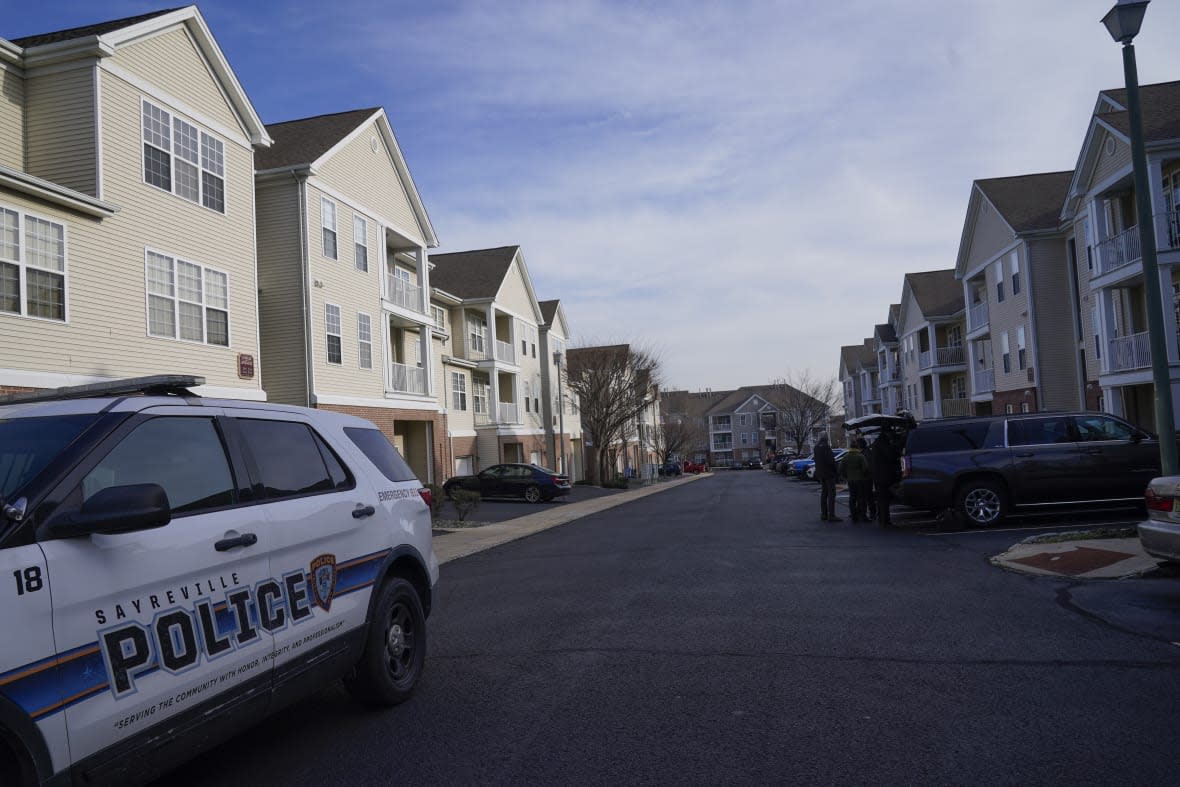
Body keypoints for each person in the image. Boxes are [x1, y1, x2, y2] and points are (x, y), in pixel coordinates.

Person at [870, 430, 900, 527]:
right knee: (884, 499)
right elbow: (891, 455)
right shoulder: (883, 444)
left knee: (881, 499)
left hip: (877, 475)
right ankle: (884, 520)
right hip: (883, 475)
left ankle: (882, 519)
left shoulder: (876, 444)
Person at [812, 433, 840, 522]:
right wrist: (836, 471)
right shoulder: (826, 447)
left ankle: (824, 514)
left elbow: (816, 460)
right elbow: (831, 461)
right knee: (831, 494)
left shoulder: (816, 448)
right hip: (829, 474)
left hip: (821, 474)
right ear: (826, 439)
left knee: (824, 493)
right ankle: (831, 515)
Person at [843, 437, 871, 522]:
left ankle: (854, 515)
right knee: (861, 498)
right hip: (860, 480)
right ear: (857, 447)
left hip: (850, 480)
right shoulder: (860, 456)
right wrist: (864, 475)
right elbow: (866, 468)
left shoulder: (846, 457)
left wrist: (846, 476)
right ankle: (863, 516)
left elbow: (840, 468)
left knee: (852, 498)